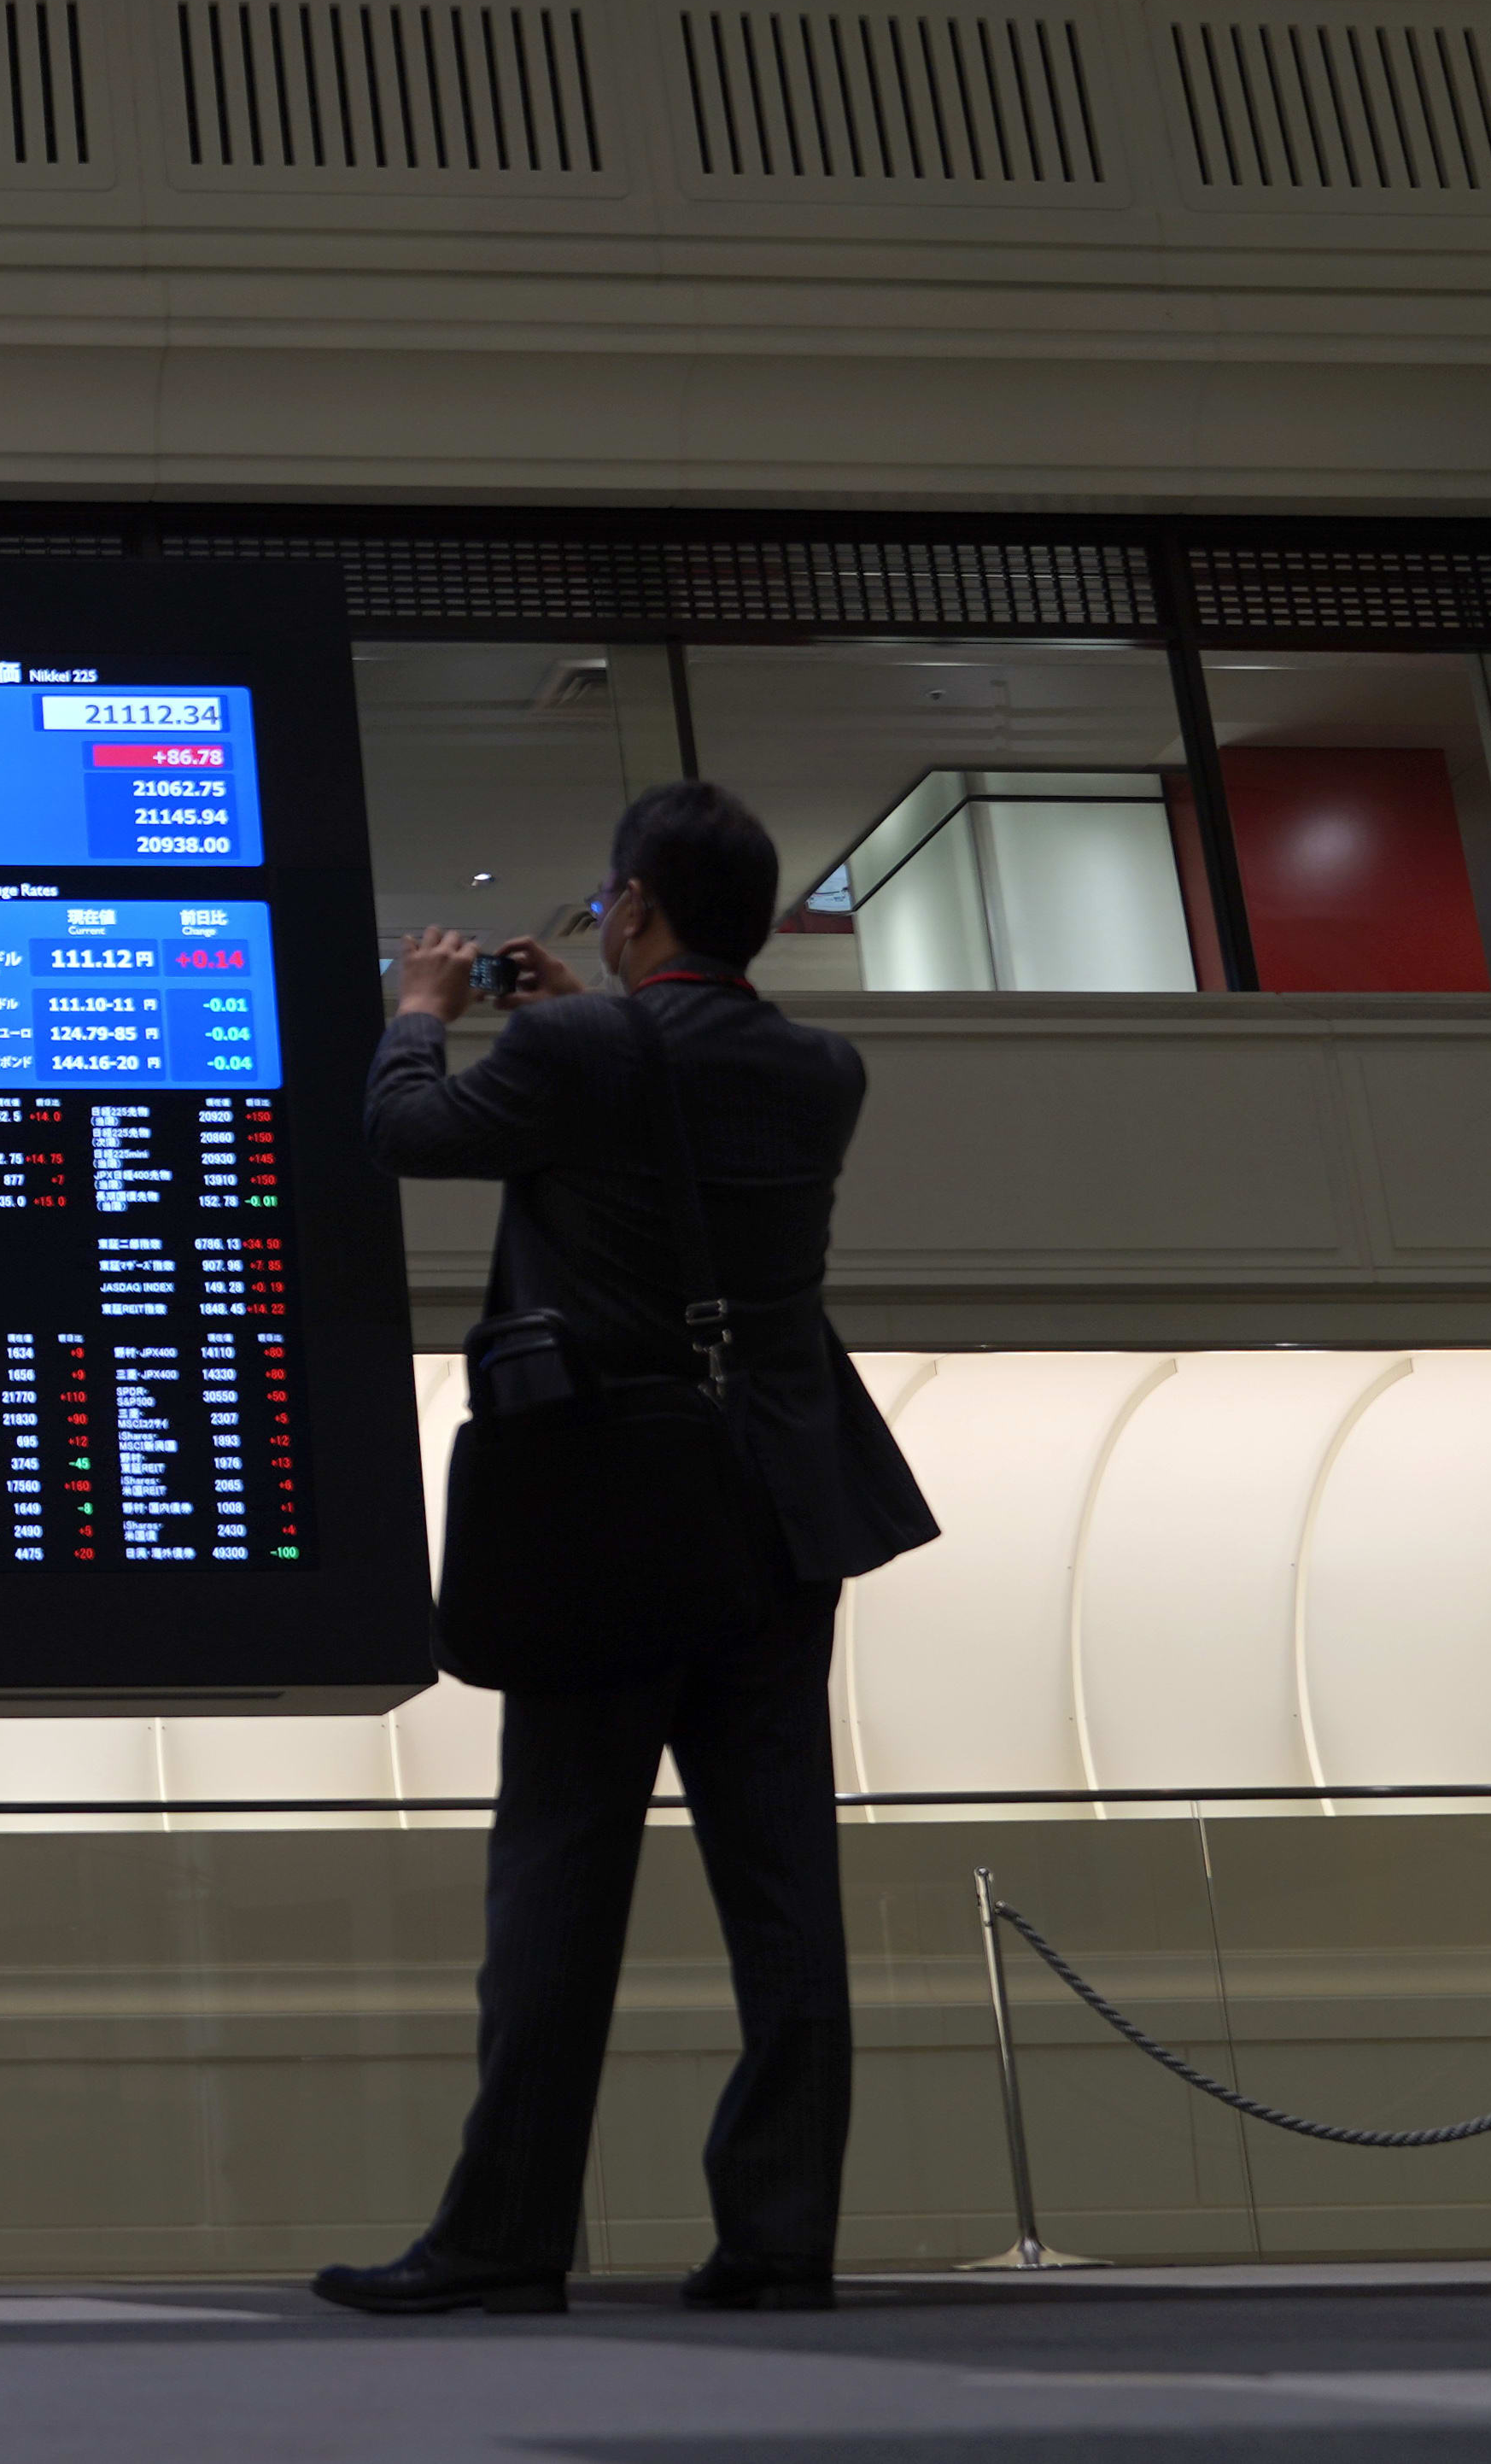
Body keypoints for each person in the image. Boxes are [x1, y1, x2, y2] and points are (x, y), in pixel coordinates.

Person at [313, 779, 938, 2320]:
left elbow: (402, 1131)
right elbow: (664, 1120)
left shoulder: (576, 1053)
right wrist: (579, 1019)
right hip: (780, 1514)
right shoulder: (821, 1069)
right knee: (781, 1890)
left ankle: (505, 2235)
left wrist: (420, 1010)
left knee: (559, 1880)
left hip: (605, 1512)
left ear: (636, 906)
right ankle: (779, 2236)